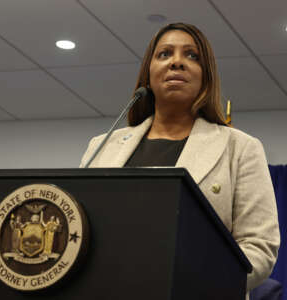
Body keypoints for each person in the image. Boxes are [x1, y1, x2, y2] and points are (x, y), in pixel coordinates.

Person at [80, 23, 280, 298]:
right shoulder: (102, 147)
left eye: (191, 56)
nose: (177, 62)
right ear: (148, 74)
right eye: (164, 54)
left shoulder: (240, 148)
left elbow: (259, 246)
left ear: (205, 77)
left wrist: (190, 282)